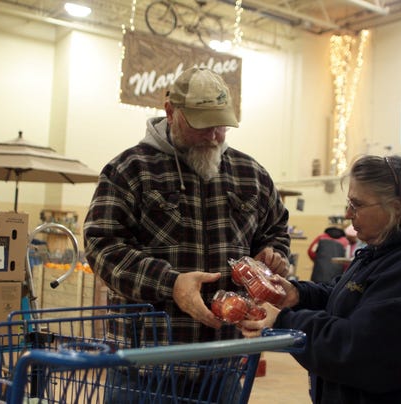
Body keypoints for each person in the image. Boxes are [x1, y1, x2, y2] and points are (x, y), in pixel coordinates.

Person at [83, 67, 291, 401]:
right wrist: (171, 284)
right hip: (145, 366)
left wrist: (274, 255)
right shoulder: (129, 170)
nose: (214, 136)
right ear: (170, 112)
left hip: (224, 365)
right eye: (202, 124)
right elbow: (102, 247)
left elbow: (276, 230)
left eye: (221, 124)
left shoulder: (251, 174)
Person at [240, 154, 401, 403]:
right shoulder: (385, 251)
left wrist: (285, 322)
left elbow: (361, 352)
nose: (347, 214)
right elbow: (349, 297)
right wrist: (298, 295)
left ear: (395, 208)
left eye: (357, 204)